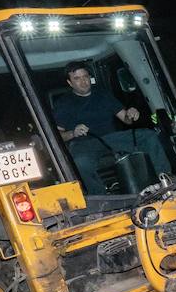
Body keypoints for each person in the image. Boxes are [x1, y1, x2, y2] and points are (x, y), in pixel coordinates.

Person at [53, 62, 170, 193]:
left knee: (148, 135)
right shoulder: (64, 103)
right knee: (80, 162)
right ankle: (102, 200)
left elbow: (126, 119)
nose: (83, 81)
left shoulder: (103, 94)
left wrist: (131, 114)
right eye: (77, 78)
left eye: (85, 76)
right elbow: (57, 136)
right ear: (70, 83)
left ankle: (164, 180)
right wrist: (73, 133)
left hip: (112, 139)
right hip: (84, 144)